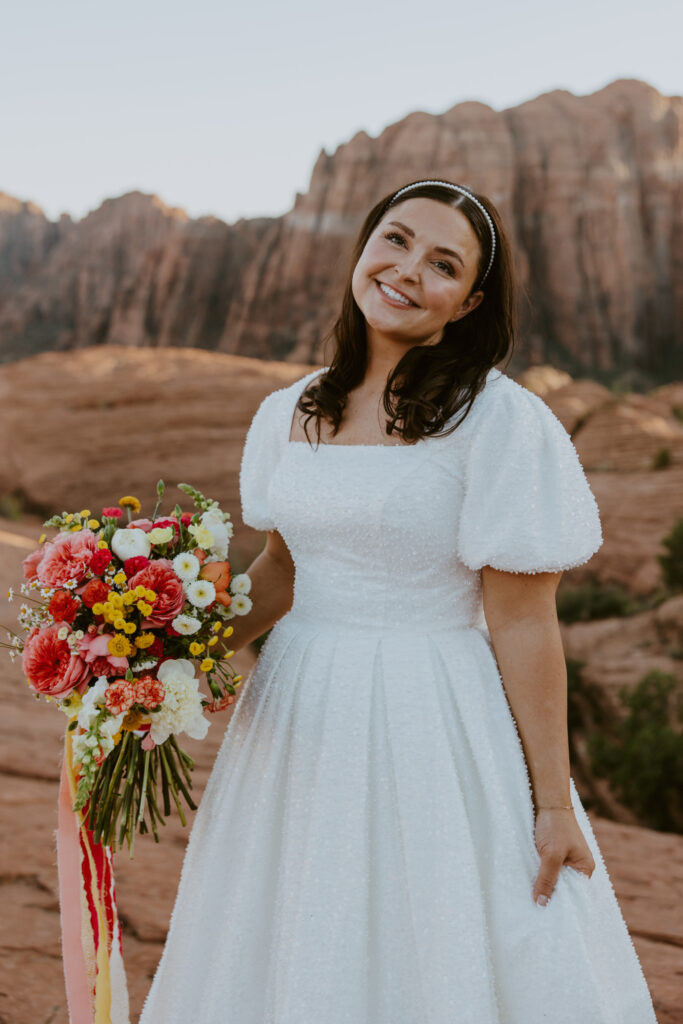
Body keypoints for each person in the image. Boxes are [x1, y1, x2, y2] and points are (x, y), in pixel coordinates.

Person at [139, 179, 658, 1022]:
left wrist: (554, 804)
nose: (408, 270)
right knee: (293, 915)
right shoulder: (289, 412)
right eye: (396, 240)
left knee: (441, 924)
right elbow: (281, 570)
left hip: (435, 712)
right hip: (298, 708)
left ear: (469, 301)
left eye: (442, 263)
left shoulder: (499, 421)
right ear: (363, 246)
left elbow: (522, 622)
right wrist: (153, 653)